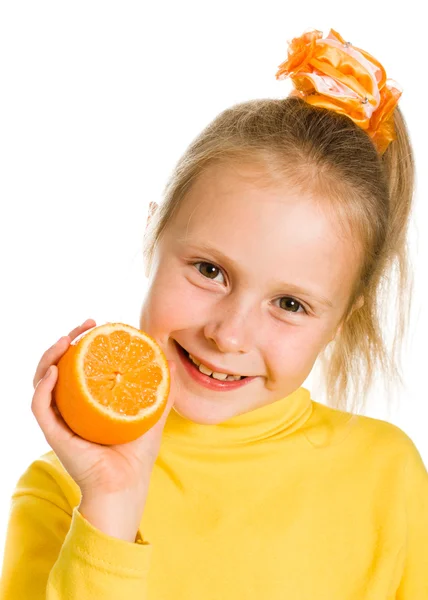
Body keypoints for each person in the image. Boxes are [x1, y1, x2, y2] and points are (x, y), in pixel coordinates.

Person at [0, 27, 427, 599]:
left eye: (290, 304)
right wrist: (112, 507)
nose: (228, 335)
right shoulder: (62, 493)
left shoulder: (388, 476)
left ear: (342, 321)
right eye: (209, 270)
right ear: (156, 234)